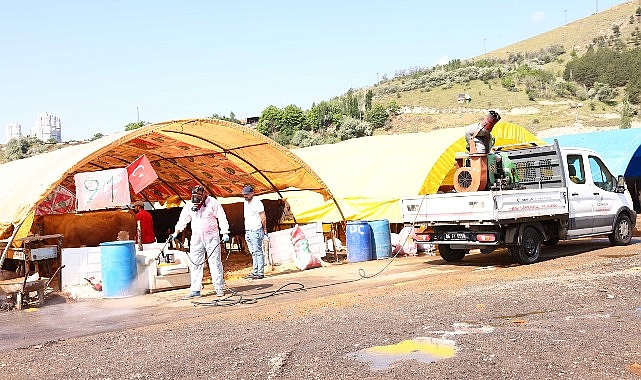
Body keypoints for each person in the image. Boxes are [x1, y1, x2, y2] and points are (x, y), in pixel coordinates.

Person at [172, 185, 230, 299]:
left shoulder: (213, 203)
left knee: (215, 262)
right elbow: (183, 219)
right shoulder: (189, 205)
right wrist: (176, 231)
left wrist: (225, 232)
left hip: (212, 237)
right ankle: (195, 289)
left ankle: (219, 287)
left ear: (203, 195)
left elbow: (222, 217)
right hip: (197, 239)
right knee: (195, 264)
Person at [241, 185, 267, 280]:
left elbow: (263, 217)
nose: (245, 196)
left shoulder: (257, 203)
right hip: (248, 230)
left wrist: (264, 230)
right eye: (244, 194)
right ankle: (255, 271)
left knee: (258, 251)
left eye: (247, 194)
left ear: (252, 193)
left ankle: (260, 272)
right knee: (253, 252)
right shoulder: (245, 202)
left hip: (256, 230)